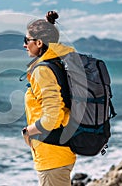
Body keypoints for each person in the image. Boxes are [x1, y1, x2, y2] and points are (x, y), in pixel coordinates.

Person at [21, 11, 76, 186]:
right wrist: (47, 25)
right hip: (61, 151)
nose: (24, 45)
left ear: (38, 43)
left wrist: (28, 131)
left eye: (26, 40)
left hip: (52, 157)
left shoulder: (43, 70)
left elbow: (53, 117)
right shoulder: (58, 61)